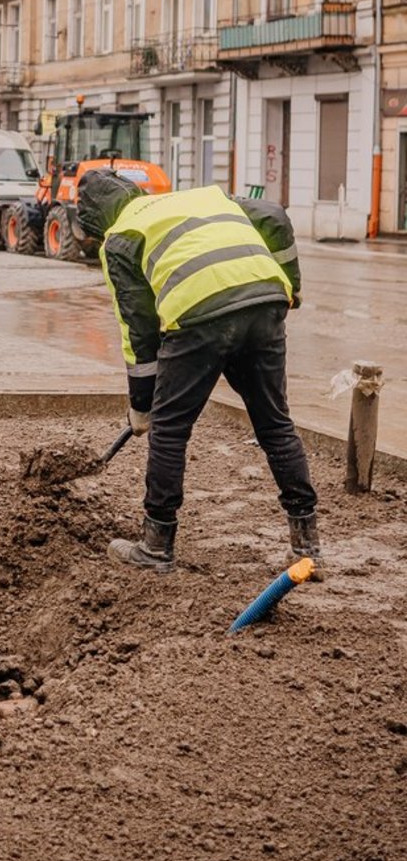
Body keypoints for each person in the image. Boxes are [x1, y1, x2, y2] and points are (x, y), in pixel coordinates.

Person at [77, 171, 320, 576]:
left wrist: (142, 406)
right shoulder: (202, 196)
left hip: (199, 316)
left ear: (97, 221)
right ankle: (309, 547)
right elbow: (273, 214)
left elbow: (138, 331)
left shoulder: (119, 237)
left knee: (169, 429)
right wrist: (290, 286)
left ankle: (156, 546)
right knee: (275, 424)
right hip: (264, 301)